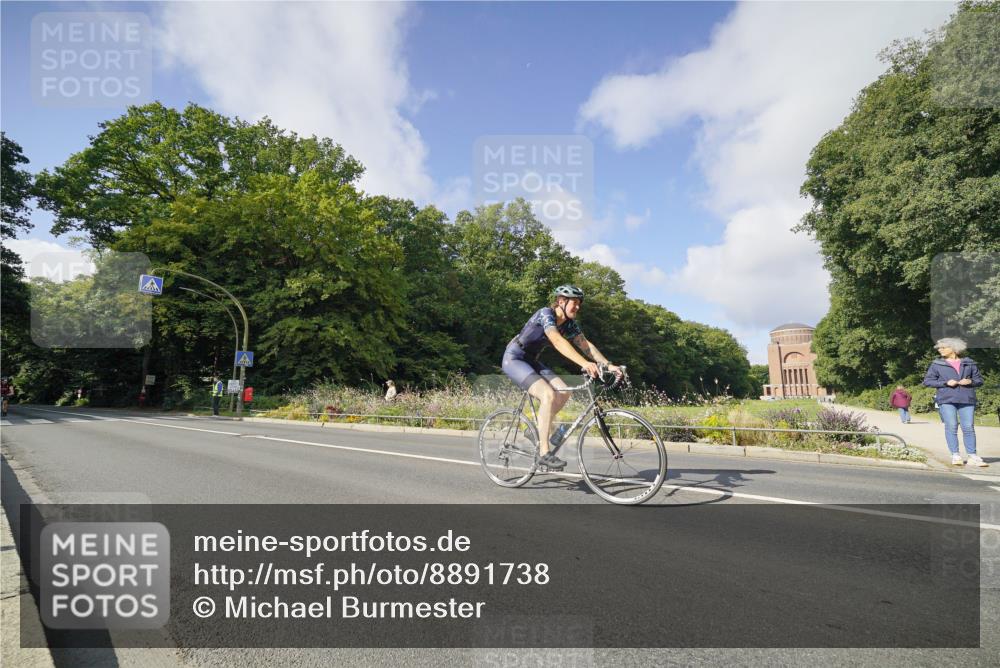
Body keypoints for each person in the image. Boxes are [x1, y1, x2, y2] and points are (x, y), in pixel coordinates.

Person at [501, 285, 620, 470]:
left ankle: (538, 431)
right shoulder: (545, 314)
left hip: (532, 360)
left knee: (564, 392)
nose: (578, 307)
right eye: (575, 302)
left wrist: (608, 365)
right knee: (547, 394)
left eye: (580, 303)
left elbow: (586, 346)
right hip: (514, 358)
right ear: (561, 301)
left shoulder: (569, 324)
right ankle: (544, 453)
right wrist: (584, 364)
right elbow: (557, 340)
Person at [922, 338, 987, 467]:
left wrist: (971, 382)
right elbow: (927, 381)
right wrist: (945, 383)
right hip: (946, 399)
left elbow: (979, 379)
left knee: (968, 427)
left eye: (943, 347)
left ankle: (972, 456)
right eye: (939, 348)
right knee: (951, 426)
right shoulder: (937, 364)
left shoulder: (969, 363)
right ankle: (955, 455)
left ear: (954, 348)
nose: (940, 350)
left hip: (966, 398)